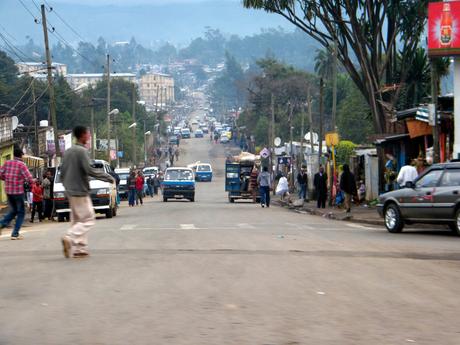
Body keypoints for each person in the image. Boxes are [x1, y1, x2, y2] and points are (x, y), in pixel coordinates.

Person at [60, 126, 114, 258]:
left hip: (70, 191)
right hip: (80, 192)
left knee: (77, 221)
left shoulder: (67, 152)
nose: (89, 137)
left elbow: (62, 173)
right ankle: (70, 237)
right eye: (88, 134)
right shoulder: (81, 151)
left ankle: (80, 249)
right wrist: (108, 177)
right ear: (83, 135)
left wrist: (67, 187)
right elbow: (89, 170)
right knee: (89, 219)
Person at [0, 147, 34, 239]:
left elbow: (1, 174)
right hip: (18, 192)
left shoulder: (7, 163)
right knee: (21, 212)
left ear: (13, 155)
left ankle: (1, 224)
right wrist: (32, 183)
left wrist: (6, 179)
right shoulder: (21, 165)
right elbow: (29, 178)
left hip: (8, 191)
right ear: (21, 155)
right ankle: (15, 233)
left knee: (13, 211)